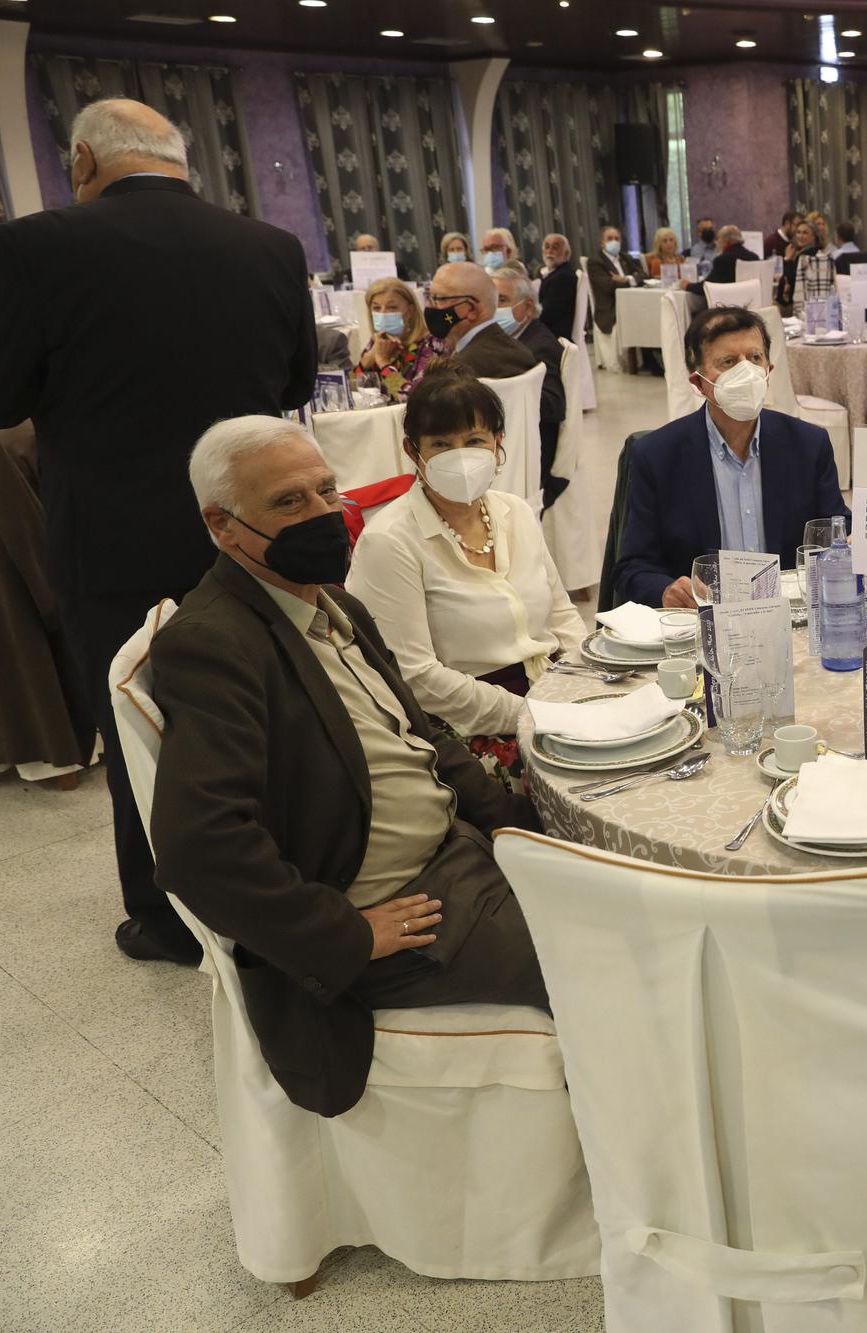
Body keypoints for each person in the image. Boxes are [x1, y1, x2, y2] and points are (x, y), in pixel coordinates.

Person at [0, 98, 316, 966]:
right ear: (180, 160)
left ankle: (165, 917)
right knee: (260, 706)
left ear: (82, 161)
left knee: (139, 725)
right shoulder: (269, 247)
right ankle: (286, 886)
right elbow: (298, 379)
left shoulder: (35, 247)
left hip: (114, 538)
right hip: (246, 528)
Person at [153, 415, 548, 1115]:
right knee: (611, 962)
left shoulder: (336, 605)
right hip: (412, 912)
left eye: (326, 490)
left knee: (635, 903)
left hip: (464, 856)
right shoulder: (215, 643)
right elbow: (197, 847)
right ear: (222, 524)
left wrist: (523, 826)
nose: (324, 514)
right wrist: (346, 932)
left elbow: (423, 736)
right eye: (288, 502)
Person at [345, 368, 585, 786]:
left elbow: (563, 617)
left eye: (475, 441)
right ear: (412, 450)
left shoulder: (516, 513)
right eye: (441, 444)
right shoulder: (390, 541)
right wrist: (532, 713)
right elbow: (417, 678)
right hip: (463, 728)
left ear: (498, 444)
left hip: (550, 696)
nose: (461, 455)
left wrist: (586, 685)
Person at [613, 306, 848, 608]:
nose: (745, 371)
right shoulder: (658, 456)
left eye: (754, 358)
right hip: (704, 624)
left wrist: (855, 539)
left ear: (768, 371)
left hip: (790, 618)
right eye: (728, 362)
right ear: (698, 382)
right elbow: (631, 567)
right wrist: (666, 589)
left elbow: (836, 528)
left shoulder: (808, 445)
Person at [490, 266, 569, 506]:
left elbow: (553, 405)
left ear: (527, 306)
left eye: (502, 300)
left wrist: (504, 395)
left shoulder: (538, 345)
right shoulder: (514, 339)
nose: (494, 308)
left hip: (531, 454)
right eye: (491, 300)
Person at [425, 261, 537, 379]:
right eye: (430, 298)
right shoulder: (517, 348)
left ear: (471, 309)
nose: (431, 306)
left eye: (440, 299)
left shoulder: (462, 370)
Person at [356, 276, 445, 403]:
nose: (383, 313)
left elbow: (412, 398)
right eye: (376, 308)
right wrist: (368, 359)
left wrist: (383, 362)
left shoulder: (431, 343)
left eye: (392, 307)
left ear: (410, 311)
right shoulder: (379, 340)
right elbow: (351, 388)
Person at [586, 223, 639, 347]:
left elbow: (643, 275)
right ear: (601, 243)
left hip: (633, 303)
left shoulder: (625, 257)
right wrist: (631, 281)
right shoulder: (595, 262)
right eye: (609, 239)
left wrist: (625, 279)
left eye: (617, 239)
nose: (614, 242)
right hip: (611, 307)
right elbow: (608, 286)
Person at [778, 218, 836, 311]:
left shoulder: (806, 255)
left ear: (814, 236)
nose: (800, 236)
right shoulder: (808, 252)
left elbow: (792, 278)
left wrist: (787, 259)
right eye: (798, 232)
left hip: (799, 306)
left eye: (805, 233)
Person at [537, 232, 577, 341]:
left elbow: (548, 313)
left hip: (554, 335)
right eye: (547, 247)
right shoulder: (554, 274)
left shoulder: (563, 277)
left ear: (566, 253)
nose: (549, 251)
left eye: (555, 247)